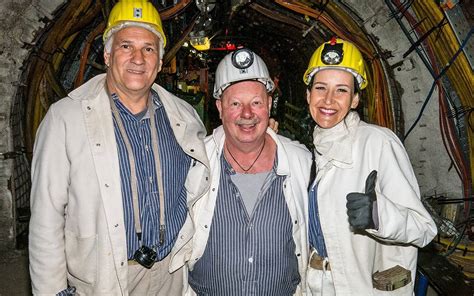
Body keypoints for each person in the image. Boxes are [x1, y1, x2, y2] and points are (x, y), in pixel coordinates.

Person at [28, 1, 210, 295]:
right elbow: (46, 219)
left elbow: (210, 166)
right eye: (126, 46)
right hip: (106, 277)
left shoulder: (183, 116)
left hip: (171, 273)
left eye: (149, 49)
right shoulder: (65, 119)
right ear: (108, 54)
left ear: (160, 62)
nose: (138, 58)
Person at [304, 37, 438, 295]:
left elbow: (424, 229)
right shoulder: (314, 149)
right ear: (308, 94)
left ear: (355, 99)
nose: (328, 99)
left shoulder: (378, 143)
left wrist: (379, 215)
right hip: (316, 284)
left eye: (341, 90)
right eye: (321, 88)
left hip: (360, 287)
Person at [181, 48, 312, 295]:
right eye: (235, 104)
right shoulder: (195, 162)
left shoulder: (301, 163)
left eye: (256, 102)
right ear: (219, 107)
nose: (247, 114)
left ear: (269, 104)